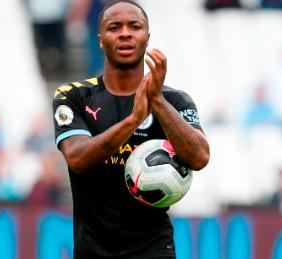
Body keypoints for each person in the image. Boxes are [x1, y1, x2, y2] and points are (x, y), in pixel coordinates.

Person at [52, 1, 210, 258]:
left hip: (154, 249)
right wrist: (133, 120)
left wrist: (156, 101)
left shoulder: (175, 101)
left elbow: (199, 157)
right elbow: (78, 158)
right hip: (93, 252)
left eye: (134, 26)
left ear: (147, 37)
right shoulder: (74, 96)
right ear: (101, 39)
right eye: (115, 27)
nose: (125, 33)